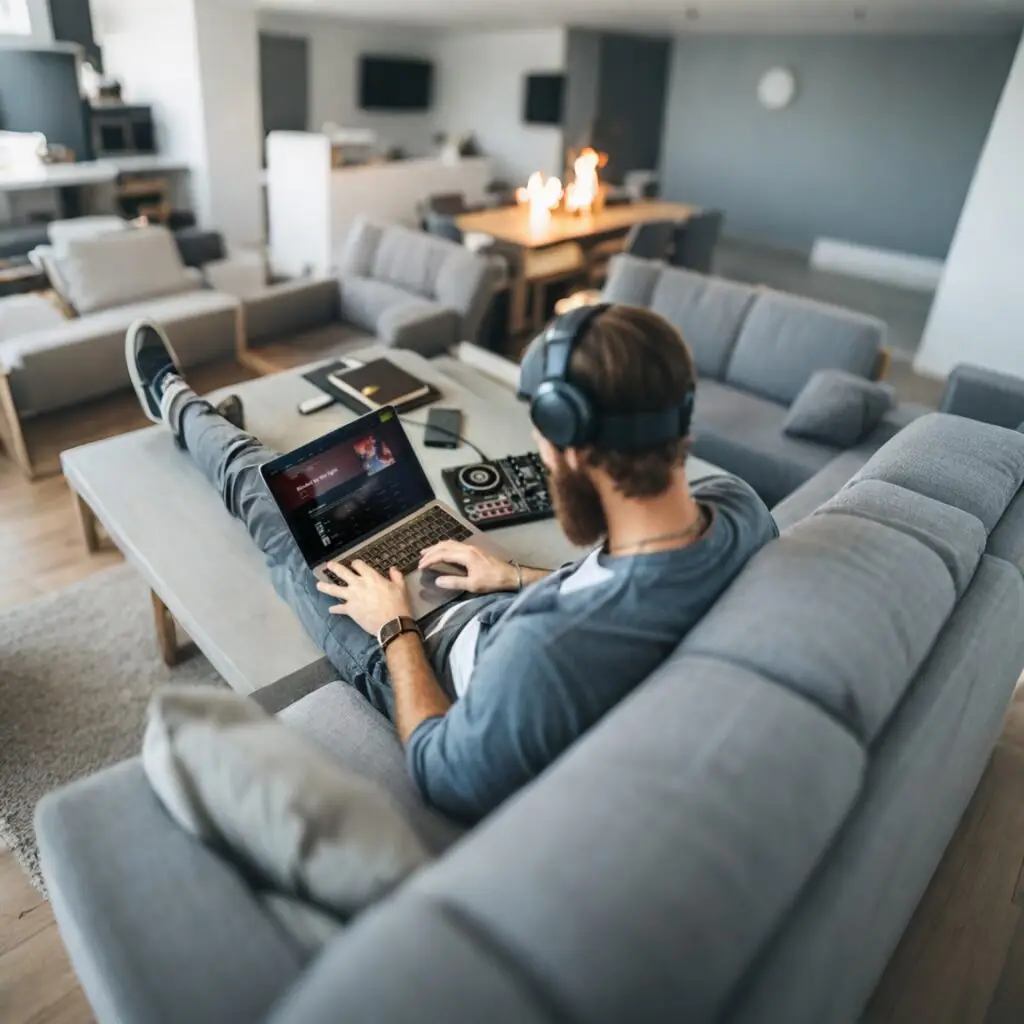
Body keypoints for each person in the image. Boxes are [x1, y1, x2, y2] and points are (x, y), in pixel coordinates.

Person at [124, 304, 776, 822]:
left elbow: (439, 771)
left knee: (266, 496)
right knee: (373, 500)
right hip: (497, 610)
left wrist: (394, 626)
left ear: (576, 447)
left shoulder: (544, 653)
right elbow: (621, 593)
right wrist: (515, 576)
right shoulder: (736, 508)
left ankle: (176, 401)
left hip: (429, 654)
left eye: (545, 441)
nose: (541, 455)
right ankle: (227, 430)